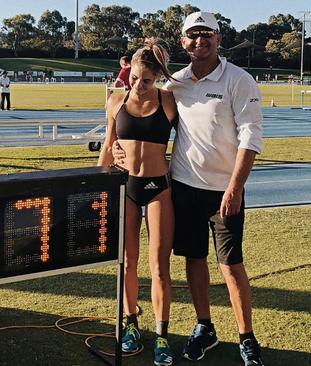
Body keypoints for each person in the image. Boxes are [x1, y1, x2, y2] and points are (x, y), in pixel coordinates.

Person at [113, 11, 265, 365]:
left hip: (224, 190)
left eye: (207, 34)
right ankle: (204, 327)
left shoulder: (239, 80)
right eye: (193, 35)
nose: (200, 40)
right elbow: (139, 119)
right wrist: (117, 149)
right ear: (183, 42)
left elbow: (251, 136)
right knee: (194, 260)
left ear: (218, 38)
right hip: (182, 187)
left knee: (231, 264)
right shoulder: (175, 85)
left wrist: (235, 187)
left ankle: (247, 337)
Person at [98, 39, 178, 366]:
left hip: (159, 187)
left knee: (159, 267)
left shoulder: (170, 101)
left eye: (146, 81)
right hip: (126, 186)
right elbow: (107, 146)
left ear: (158, 76)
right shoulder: (116, 102)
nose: (138, 86)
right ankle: (131, 324)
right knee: (128, 263)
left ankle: (161, 336)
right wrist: (101, 178)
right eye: (133, 78)